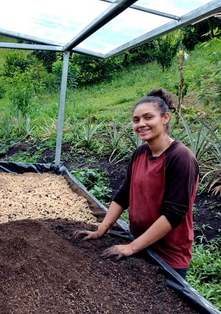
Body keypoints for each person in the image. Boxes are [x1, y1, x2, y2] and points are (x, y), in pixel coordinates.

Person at [75, 88, 199, 278]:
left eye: (148, 118)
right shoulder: (140, 153)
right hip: (139, 243)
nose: (141, 124)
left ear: (165, 118)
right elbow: (124, 195)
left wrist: (131, 248)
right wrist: (101, 230)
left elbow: (174, 214)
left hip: (167, 256)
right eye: (136, 120)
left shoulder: (180, 157)